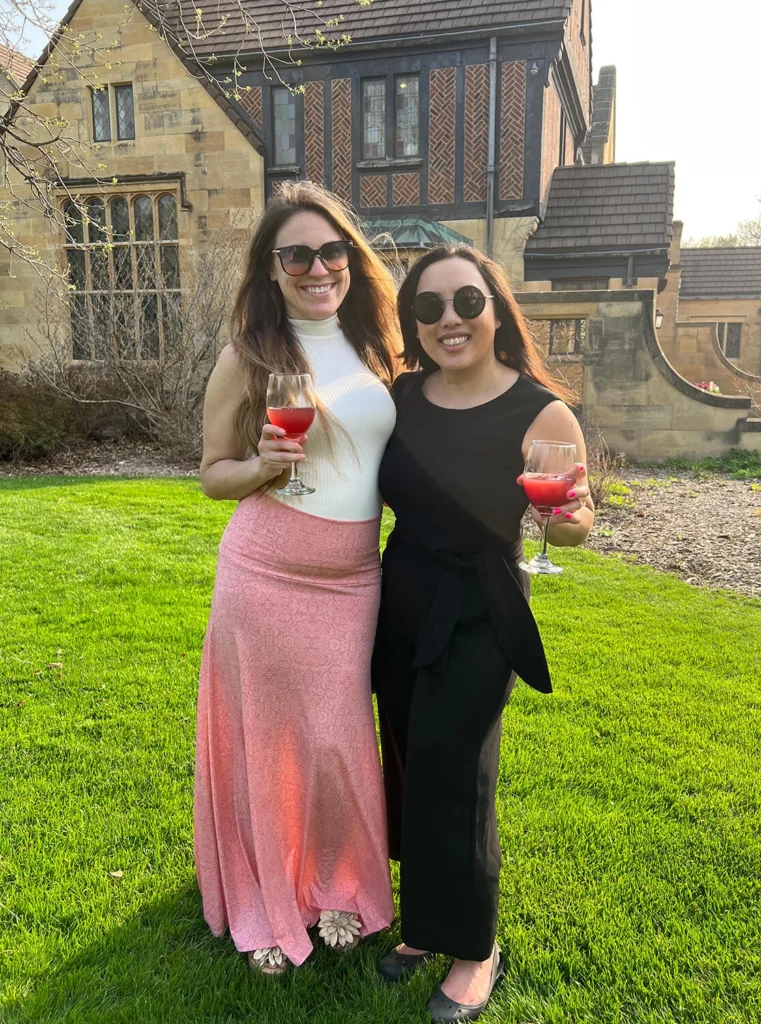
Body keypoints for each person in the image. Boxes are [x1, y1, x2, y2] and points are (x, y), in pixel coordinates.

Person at [372, 246, 594, 1022]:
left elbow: (575, 521)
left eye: (466, 302)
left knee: (457, 770)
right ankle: (424, 924)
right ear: (414, 325)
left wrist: (565, 520)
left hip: (479, 607)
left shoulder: (540, 409)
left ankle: (475, 948)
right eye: (427, 309)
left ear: (496, 309)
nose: (449, 321)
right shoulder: (398, 397)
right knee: (406, 756)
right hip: (398, 600)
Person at [194, 181, 400, 974]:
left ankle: (339, 885)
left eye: (330, 251)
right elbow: (212, 475)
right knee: (269, 743)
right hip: (266, 569)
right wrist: (259, 465)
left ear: (350, 258)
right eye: (296, 255)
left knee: (338, 740)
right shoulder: (248, 357)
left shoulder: (378, 346)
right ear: (271, 270)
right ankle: (267, 899)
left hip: (353, 576)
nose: (317, 267)